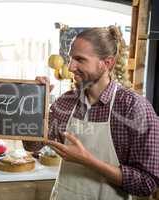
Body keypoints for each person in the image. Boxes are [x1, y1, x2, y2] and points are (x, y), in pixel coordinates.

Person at [24, 26, 159, 199]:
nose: (71, 67)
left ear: (107, 63)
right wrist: (35, 105)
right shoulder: (66, 102)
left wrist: (87, 160)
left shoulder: (134, 108)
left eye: (80, 59)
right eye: (71, 59)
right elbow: (32, 146)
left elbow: (147, 183)